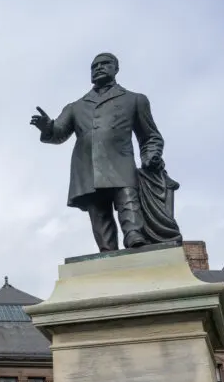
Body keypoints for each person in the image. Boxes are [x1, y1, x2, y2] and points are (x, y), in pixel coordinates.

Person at [31, 53, 181, 251]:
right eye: (94, 66)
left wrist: (150, 155)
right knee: (98, 212)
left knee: (128, 200)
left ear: (116, 69)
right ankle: (107, 250)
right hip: (86, 167)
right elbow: (58, 133)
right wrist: (47, 127)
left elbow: (150, 136)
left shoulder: (134, 100)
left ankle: (134, 237)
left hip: (120, 161)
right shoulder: (76, 106)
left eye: (105, 64)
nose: (99, 68)